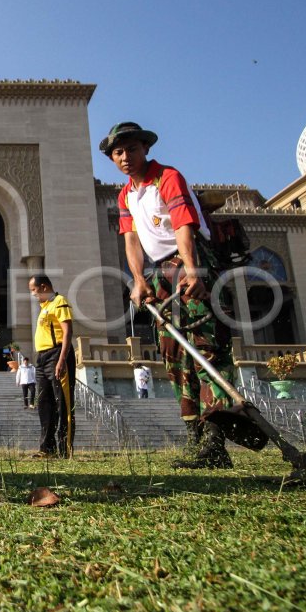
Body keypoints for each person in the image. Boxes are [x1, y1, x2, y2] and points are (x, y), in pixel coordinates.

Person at [103, 121, 235, 468]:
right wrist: (137, 280)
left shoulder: (168, 177)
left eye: (132, 148)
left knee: (206, 346)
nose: (125, 157)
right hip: (159, 270)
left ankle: (216, 441)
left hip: (190, 259)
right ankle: (195, 437)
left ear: (145, 149)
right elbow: (131, 239)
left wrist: (192, 269)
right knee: (173, 352)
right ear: (112, 158)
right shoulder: (126, 194)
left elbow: (183, 224)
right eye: (118, 152)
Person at [29, 275, 75, 457]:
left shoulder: (59, 301)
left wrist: (62, 359)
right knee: (44, 403)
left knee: (63, 403)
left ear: (43, 286)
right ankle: (47, 448)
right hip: (42, 359)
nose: (33, 294)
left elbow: (67, 331)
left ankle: (65, 449)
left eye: (34, 290)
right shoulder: (45, 307)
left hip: (57, 355)